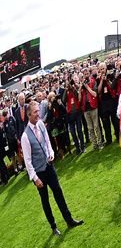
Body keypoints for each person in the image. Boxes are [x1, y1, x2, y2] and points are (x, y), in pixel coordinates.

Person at [20, 101, 84, 236]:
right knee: (45, 200)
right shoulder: (25, 136)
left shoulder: (41, 124)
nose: (39, 114)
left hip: (49, 167)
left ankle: (69, 220)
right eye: (36, 112)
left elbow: (47, 141)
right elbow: (27, 161)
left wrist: (51, 153)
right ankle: (53, 227)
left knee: (58, 193)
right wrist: (35, 178)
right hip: (38, 173)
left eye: (38, 111)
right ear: (29, 114)